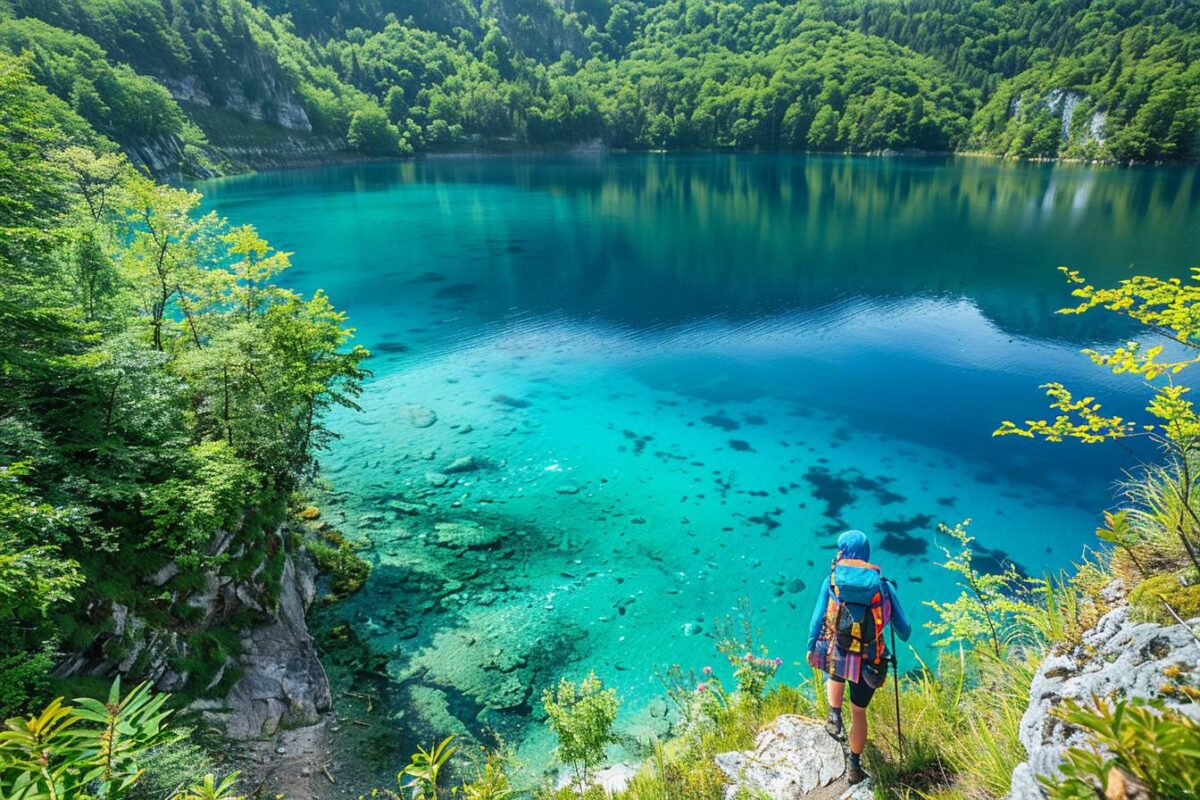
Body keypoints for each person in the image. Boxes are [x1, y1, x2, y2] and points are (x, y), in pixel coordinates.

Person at [805, 529, 910, 785]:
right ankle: (854, 765)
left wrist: (810, 647)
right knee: (859, 713)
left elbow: (818, 618)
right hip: (870, 660)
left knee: (835, 669)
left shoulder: (832, 580)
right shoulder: (882, 586)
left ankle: (833, 717)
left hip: (840, 652)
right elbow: (904, 632)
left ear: (843, 552)